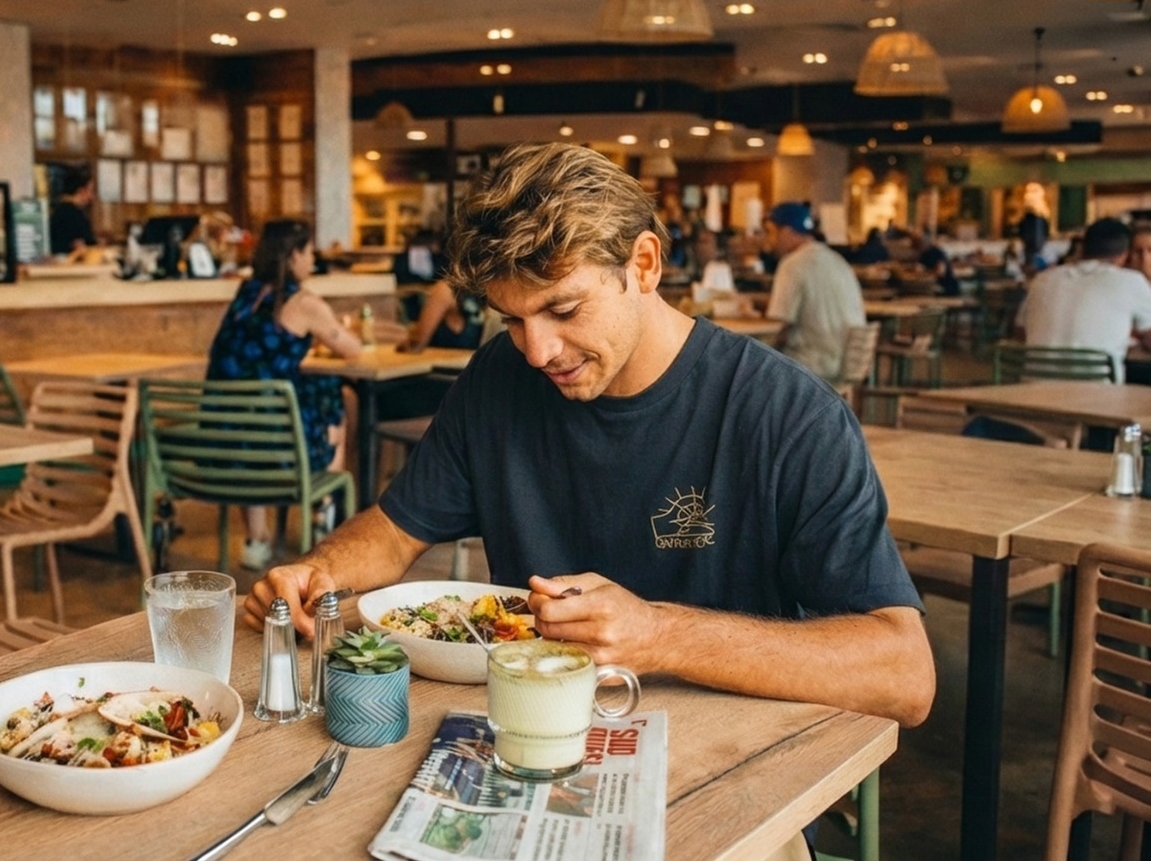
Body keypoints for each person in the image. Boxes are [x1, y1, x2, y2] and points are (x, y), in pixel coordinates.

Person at [246, 144, 935, 745]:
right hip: (527, 739)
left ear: (643, 263)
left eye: (564, 309)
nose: (539, 350)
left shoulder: (786, 414)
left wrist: (660, 635)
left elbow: (905, 673)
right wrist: (320, 571)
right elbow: (395, 534)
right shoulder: (499, 378)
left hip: (735, 762)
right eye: (512, 319)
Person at [205, 218, 363, 569]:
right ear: (292, 256)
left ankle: (256, 539)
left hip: (225, 439)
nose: (313, 260)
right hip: (279, 442)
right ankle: (323, 514)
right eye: (308, 252)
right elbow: (351, 349)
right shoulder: (303, 301)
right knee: (336, 395)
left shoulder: (246, 294)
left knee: (260, 414)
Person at [1018, 217, 1151, 384]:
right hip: (1097, 397)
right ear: (1125, 255)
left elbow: (1021, 332)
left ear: (1082, 248)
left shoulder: (1043, 279)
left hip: (1031, 392)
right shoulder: (1131, 281)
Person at [764, 202, 868, 380]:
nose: (769, 241)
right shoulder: (836, 259)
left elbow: (779, 324)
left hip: (813, 364)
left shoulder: (792, 264)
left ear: (787, 232)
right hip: (849, 361)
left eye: (771, 232)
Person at [48, 165, 97, 255]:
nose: (92, 196)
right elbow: (87, 242)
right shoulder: (73, 214)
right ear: (81, 191)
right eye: (91, 191)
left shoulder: (58, 210)